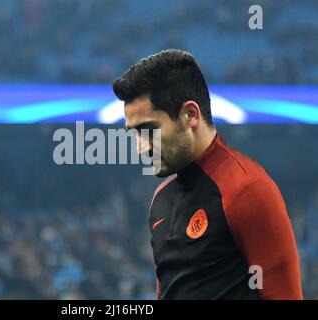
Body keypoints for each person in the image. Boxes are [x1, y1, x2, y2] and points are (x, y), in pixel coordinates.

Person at [112, 49, 303, 299]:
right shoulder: (160, 200)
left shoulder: (248, 189)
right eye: (134, 133)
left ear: (190, 115)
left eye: (149, 130)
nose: (141, 148)